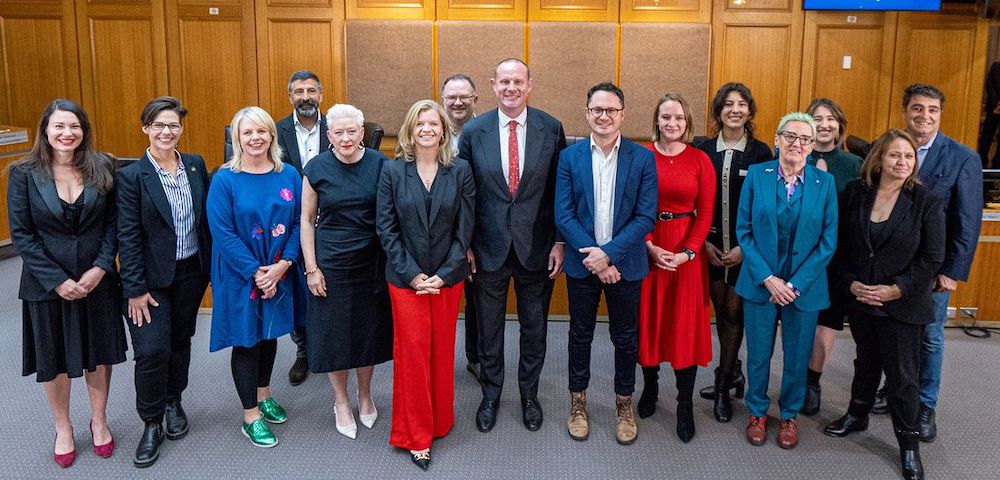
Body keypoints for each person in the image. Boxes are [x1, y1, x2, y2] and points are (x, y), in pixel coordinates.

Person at [7, 99, 126, 467]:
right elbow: (22, 235)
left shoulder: (103, 166)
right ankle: (63, 427)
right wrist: (58, 281)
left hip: (97, 281)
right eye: (59, 126)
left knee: (98, 355)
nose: (66, 133)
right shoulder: (23, 173)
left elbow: (113, 225)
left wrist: (101, 268)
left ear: (83, 130)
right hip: (46, 285)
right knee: (54, 358)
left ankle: (99, 420)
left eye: (73, 126)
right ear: (46, 130)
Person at [821, 129, 944, 480]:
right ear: (879, 159)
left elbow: (932, 259)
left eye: (908, 156)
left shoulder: (926, 201)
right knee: (866, 362)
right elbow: (841, 246)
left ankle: (908, 446)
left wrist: (896, 290)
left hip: (902, 305)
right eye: (894, 155)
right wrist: (851, 284)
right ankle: (857, 415)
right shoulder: (856, 193)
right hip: (861, 299)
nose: (902, 162)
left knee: (904, 378)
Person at [457, 58, 566, 433]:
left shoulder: (551, 129)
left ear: (530, 84)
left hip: (537, 248)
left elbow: (558, 191)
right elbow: (465, 194)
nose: (511, 88)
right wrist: (466, 243)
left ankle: (529, 395)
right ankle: (490, 395)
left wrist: (559, 240)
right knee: (489, 328)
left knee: (534, 328)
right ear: (492, 85)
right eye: (504, 82)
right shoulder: (473, 131)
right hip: (488, 249)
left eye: (518, 81)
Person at [872, 84, 981, 442]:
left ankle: (925, 403)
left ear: (940, 114)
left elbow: (967, 220)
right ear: (906, 111)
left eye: (932, 110)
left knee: (929, 338)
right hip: (892, 265)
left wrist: (952, 271)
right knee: (894, 331)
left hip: (933, 270)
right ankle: (895, 388)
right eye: (917, 109)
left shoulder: (962, 158)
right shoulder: (890, 148)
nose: (925, 116)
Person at [555, 82, 657, 446]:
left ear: (623, 115)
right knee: (579, 334)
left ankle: (623, 404)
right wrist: (597, 260)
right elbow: (564, 216)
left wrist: (610, 254)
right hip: (584, 265)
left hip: (626, 265)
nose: (604, 116)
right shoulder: (570, 157)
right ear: (587, 114)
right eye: (597, 110)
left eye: (611, 110)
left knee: (625, 338)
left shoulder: (642, 158)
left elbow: (645, 217)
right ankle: (578, 402)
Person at [376, 100, 474, 470]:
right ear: (409, 130)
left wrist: (445, 274)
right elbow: (386, 229)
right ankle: (416, 435)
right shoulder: (392, 171)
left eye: (434, 123)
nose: (427, 129)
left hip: (447, 281)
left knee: (442, 350)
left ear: (444, 130)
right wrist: (414, 275)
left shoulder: (460, 171)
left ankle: (439, 421)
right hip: (405, 281)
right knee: (413, 355)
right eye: (420, 123)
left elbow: (465, 229)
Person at [117, 96, 212, 467]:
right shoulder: (130, 176)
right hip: (148, 283)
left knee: (179, 342)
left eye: (173, 125)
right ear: (146, 128)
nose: (166, 132)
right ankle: (151, 421)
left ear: (181, 129)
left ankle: (174, 401)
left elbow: (204, 221)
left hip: (190, 273)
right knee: (152, 351)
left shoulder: (194, 165)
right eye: (159, 125)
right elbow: (127, 235)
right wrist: (135, 289)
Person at [736, 112, 838, 450]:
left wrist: (794, 285)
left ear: (812, 147)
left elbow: (828, 241)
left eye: (804, 139)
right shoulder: (756, 175)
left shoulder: (825, 184)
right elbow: (744, 231)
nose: (796, 144)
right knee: (759, 354)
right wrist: (768, 279)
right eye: (789, 136)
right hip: (760, 284)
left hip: (803, 290)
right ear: (777, 139)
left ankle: (790, 415)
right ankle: (757, 413)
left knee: (796, 355)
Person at [207, 106, 302, 448]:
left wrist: (284, 265)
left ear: (271, 136)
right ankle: (250, 416)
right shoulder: (224, 179)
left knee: (269, 335)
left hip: (279, 271)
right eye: (247, 132)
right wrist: (256, 272)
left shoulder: (288, 174)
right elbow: (222, 232)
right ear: (237, 138)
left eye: (261, 131)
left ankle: (264, 396)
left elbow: (297, 224)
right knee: (247, 340)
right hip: (240, 274)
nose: (255, 138)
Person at [300, 104, 392, 440]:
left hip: (371, 261)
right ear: (329, 136)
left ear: (362, 132)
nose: (345, 138)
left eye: (352, 131)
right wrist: (311, 268)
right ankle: (340, 401)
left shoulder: (382, 164)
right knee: (335, 335)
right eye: (338, 132)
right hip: (330, 262)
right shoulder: (317, 167)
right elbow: (306, 220)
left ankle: (365, 395)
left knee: (367, 333)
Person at [636, 92, 716, 444]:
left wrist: (687, 253)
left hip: (686, 255)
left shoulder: (700, 160)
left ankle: (684, 403)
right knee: (648, 323)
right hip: (647, 247)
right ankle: (650, 387)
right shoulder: (641, 156)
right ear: (656, 119)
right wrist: (650, 246)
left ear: (688, 123)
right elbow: (634, 206)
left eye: (679, 118)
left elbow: (706, 214)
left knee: (682, 328)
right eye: (666, 117)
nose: (672, 124)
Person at [693, 83, 772, 422]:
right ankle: (733, 370)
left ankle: (723, 386)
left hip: (745, 251)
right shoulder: (703, 148)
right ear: (718, 111)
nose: (734, 109)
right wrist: (702, 244)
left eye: (741, 104)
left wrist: (745, 248)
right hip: (708, 247)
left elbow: (765, 206)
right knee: (719, 314)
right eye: (728, 104)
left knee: (734, 312)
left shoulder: (761, 152)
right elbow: (695, 201)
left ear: (750, 112)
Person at [801, 97, 863, 416]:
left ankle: (813, 381)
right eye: (817, 118)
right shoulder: (794, 156)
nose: (824, 124)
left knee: (828, 322)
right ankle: (797, 377)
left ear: (840, 125)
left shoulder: (854, 165)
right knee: (801, 322)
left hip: (839, 257)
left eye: (831, 119)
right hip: (798, 257)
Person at [275, 70, 330, 386]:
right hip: (292, 222)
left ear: (321, 94)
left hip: (333, 220)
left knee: (330, 286)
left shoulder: (335, 126)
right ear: (290, 97)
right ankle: (304, 352)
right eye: (298, 91)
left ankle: (328, 347)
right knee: (299, 289)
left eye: (311, 90)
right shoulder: (276, 131)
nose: (305, 97)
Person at [441, 73, 482, 377]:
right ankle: (436, 360)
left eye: (463, 97)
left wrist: (468, 240)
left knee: (478, 302)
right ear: (443, 100)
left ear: (474, 100)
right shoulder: (429, 131)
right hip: (436, 233)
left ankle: (476, 358)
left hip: (477, 232)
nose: (457, 102)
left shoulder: (486, 131)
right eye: (451, 97)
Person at [977, 61, 1000, 168]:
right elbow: (989, 85)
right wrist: (997, 103)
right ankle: (981, 162)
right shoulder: (996, 66)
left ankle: (997, 164)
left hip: (996, 106)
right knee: (987, 135)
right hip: (993, 108)